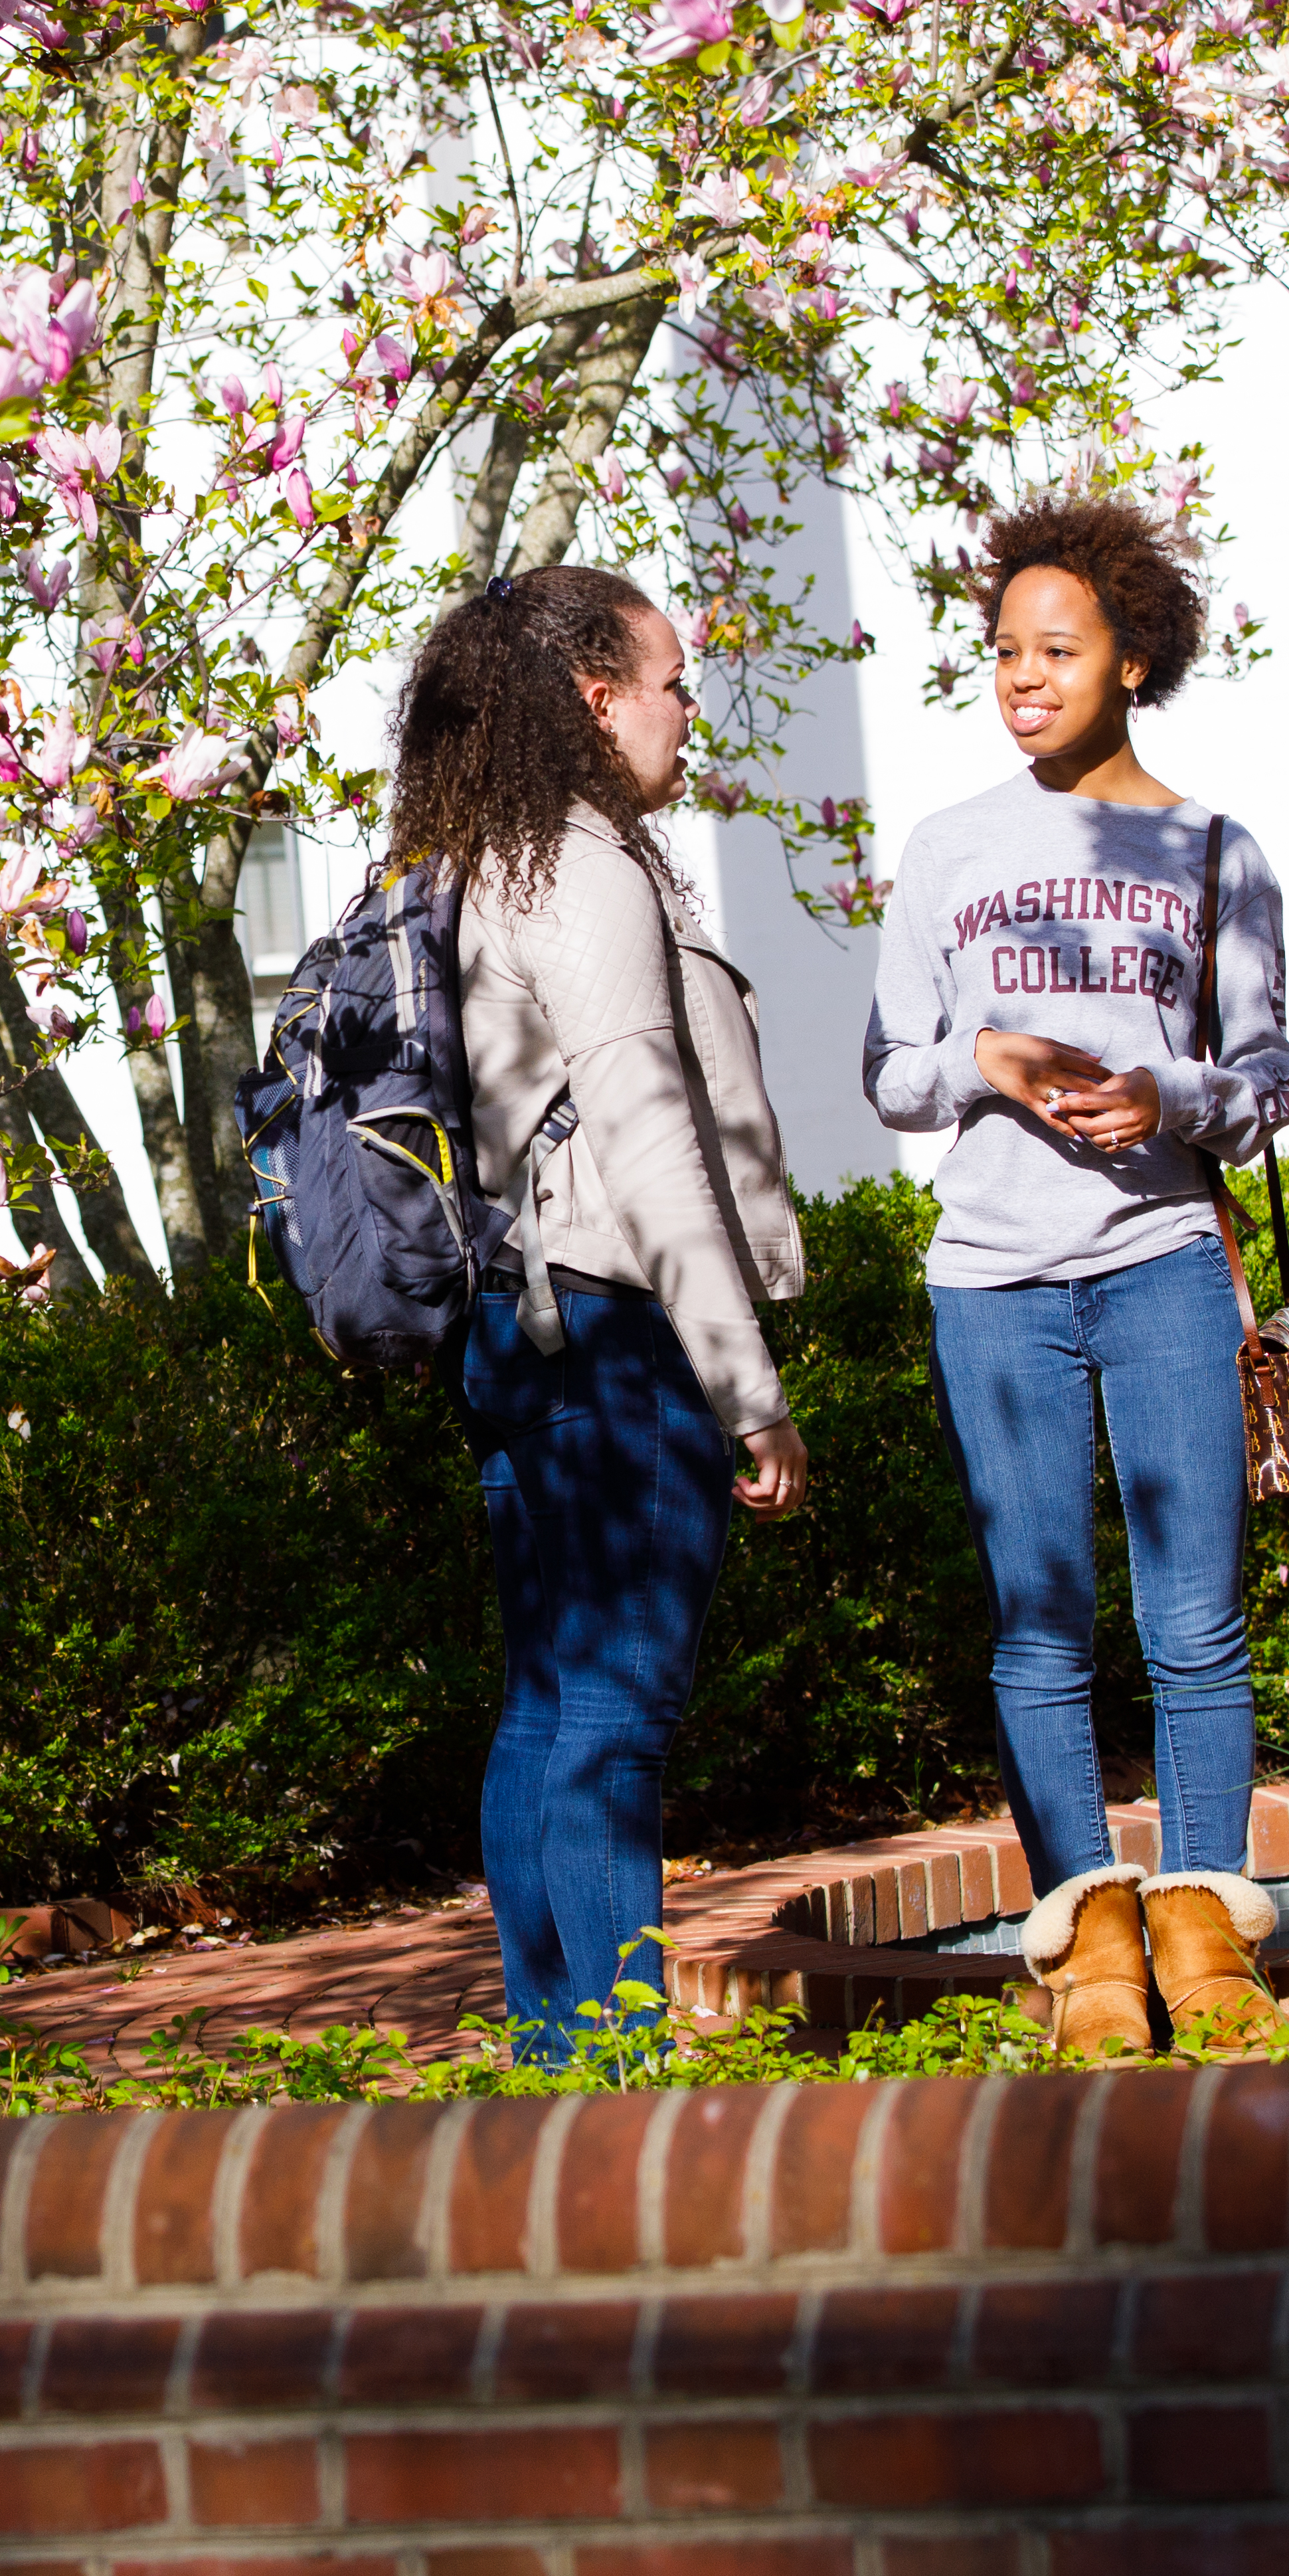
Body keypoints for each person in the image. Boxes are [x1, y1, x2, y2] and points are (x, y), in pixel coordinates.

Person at [862, 495, 1289, 2055]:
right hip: (990, 1280)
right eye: (1002, 651)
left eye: (1058, 649)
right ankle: (1090, 1948)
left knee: (1196, 1624)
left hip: (1162, 1260)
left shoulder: (1211, 850)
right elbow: (889, 1073)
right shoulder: (947, 848)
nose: (1022, 676)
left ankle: (1203, 1935)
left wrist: (1165, 1095)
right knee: (1037, 1626)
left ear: (1132, 660)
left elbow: (1270, 1077)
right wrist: (982, 1055)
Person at [395, 563, 812, 2058]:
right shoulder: (578, 863)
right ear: (597, 696)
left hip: (521, 1326)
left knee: (551, 1697)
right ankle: (612, 2059)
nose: (688, 711)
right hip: (619, 1331)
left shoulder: (481, 861)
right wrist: (744, 1382)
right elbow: (649, 1142)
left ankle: (552, 2045)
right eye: (674, 681)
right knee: (616, 1709)